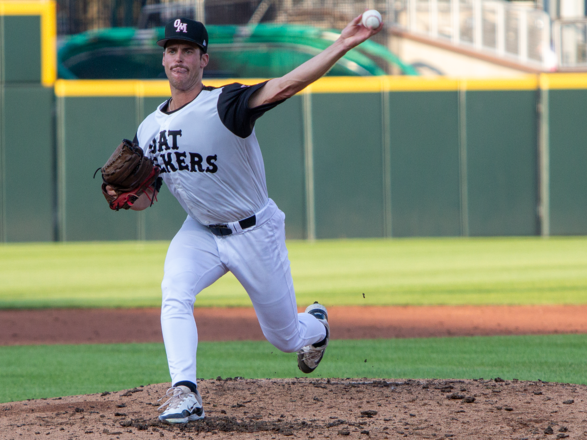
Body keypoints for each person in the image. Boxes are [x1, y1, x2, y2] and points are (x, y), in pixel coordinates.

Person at [107, 15, 382, 424]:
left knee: (285, 337)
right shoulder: (148, 130)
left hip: (254, 231)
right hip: (199, 231)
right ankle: (185, 392)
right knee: (174, 293)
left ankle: (318, 327)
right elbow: (149, 196)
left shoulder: (224, 105)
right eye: (172, 51)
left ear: (203, 59)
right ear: (163, 60)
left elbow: (286, 84)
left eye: (187, 51)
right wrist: (127, 198)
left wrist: (341, 45)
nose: (178, 58)